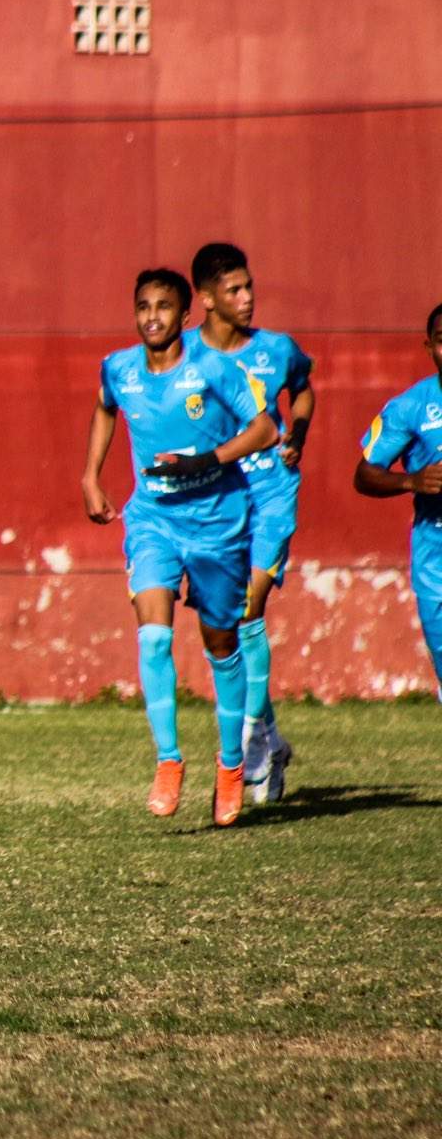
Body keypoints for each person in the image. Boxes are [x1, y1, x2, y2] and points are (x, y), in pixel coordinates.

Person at [82, 267, 276, 826]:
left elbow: (264, 430)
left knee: (220, 643)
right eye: (143, 306)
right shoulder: (119, 368)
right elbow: (104, 407)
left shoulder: (214, 368)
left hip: (218, 524)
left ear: (185, 316)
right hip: (153, 522)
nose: (151, 317)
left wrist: (206, 461)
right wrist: (90, 476)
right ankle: (169, 761)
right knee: (153, 635)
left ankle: (232, 765)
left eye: (163, 307)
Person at [191, 242, 314, 803]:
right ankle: (267, 732)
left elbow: (304, 389)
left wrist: (298, 434)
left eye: (249, 287)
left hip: (270, 493)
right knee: (227, 623)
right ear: (206, 299)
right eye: (234, 290)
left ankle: (252, 744)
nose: (248, 298)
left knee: (249, 608)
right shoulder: (186, 356)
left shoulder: (276, 350)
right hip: (216, 502)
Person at [354, 302, 442, 699]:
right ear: (429, 347)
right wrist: (412, 480)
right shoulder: (410, 407)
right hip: (434, 548)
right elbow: (365, 473)